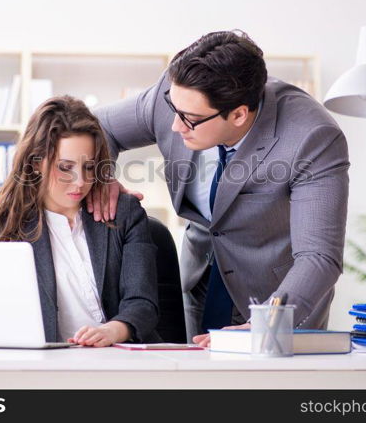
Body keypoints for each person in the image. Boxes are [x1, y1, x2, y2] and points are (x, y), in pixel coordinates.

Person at [91, 30, 350, 345]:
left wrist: (269, 320)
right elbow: (96, 128)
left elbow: (319, 256)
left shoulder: (312, 137)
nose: (174, 126)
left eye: (190, 119)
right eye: (174, 110)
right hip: (199, 277)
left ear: (239, 114)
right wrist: (100, 178)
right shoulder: (176, 98)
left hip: (278, 297)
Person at [0, 96, 160, 347]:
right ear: (37, 162)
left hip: (120, 358)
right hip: (48, 363)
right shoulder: (11, 229)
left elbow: (143, 304)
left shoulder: (123, 213)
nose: (80, 182)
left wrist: (112, 331)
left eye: (88, 167)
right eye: (65, 167)